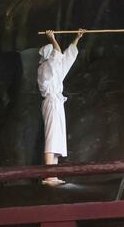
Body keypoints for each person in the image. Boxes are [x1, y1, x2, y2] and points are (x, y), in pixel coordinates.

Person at [37, 29, 84, 186]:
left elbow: (66, 58)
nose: (55, 58)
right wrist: (52, 38)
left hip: (57, 103)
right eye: (52, 56)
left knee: (56, 139)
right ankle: (48, 175)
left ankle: (53, 174)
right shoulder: (44, 69)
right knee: (51, 137)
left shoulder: (55, 71)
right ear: (48, 57)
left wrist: (77, 38)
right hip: (51, 103)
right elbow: (57, 54)